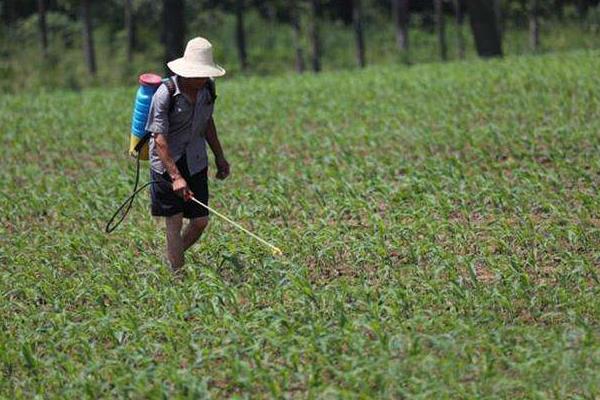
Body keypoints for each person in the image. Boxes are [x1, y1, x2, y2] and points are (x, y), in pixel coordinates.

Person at [146, 37, 230, 273]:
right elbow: (159, 139)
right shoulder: (165, 94)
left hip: (195, 161)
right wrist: (176, 177)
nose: (202, 78)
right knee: (174, 222)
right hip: (166, 164)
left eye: (205, 74)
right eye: (198, 74)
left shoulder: (208, 89)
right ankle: (178, 278)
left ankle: (171, 260)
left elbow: (207, 122)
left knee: (200, 221)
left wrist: (219, 157)